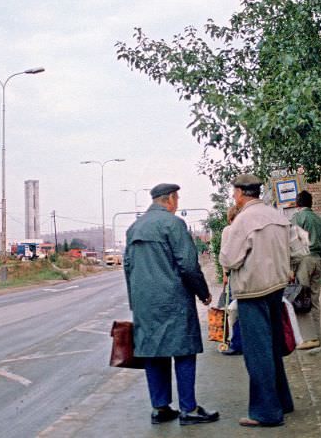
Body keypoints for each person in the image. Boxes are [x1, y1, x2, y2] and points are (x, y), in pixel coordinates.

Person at [123, 183, 220, 426]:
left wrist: (135, 300)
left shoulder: (134, 228)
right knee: (184, 349)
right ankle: (189, 409)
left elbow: (128, 267)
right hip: (173, 300)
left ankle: (160, 408)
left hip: (145, 303)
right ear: (171, 199)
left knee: (153, 353)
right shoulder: (173, 224)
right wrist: (203, 292)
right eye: (177, 199)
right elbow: (187, 263)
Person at [219, 174, 302, 427]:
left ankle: (266, 412)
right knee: (273, 348)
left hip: (253, 291)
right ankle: (282, 402)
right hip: (276, 289)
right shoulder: (277, 215)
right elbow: (298, 250)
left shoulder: (243, 220)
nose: (234, 196)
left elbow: (229, 259)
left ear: (242, 193)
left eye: (234, 192)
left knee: (258, 353)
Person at [290, 190, 321, 350]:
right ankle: (317, 335)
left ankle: (307, 337)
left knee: (301, 299)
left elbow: (293, 243)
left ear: (297, 204)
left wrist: (291, 268)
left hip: (303, 260)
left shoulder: (298, 217)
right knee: (314, 299)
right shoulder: (318, 219)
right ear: (310, 203)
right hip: (317, 258)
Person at [220, 205, 243, 356]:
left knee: (233, 309)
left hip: (234, 274)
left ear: (229, 219)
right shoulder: (245, 228)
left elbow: (224, 254)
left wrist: (224, 273)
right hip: (247, 274)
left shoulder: (227, 231)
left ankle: (235, 342)